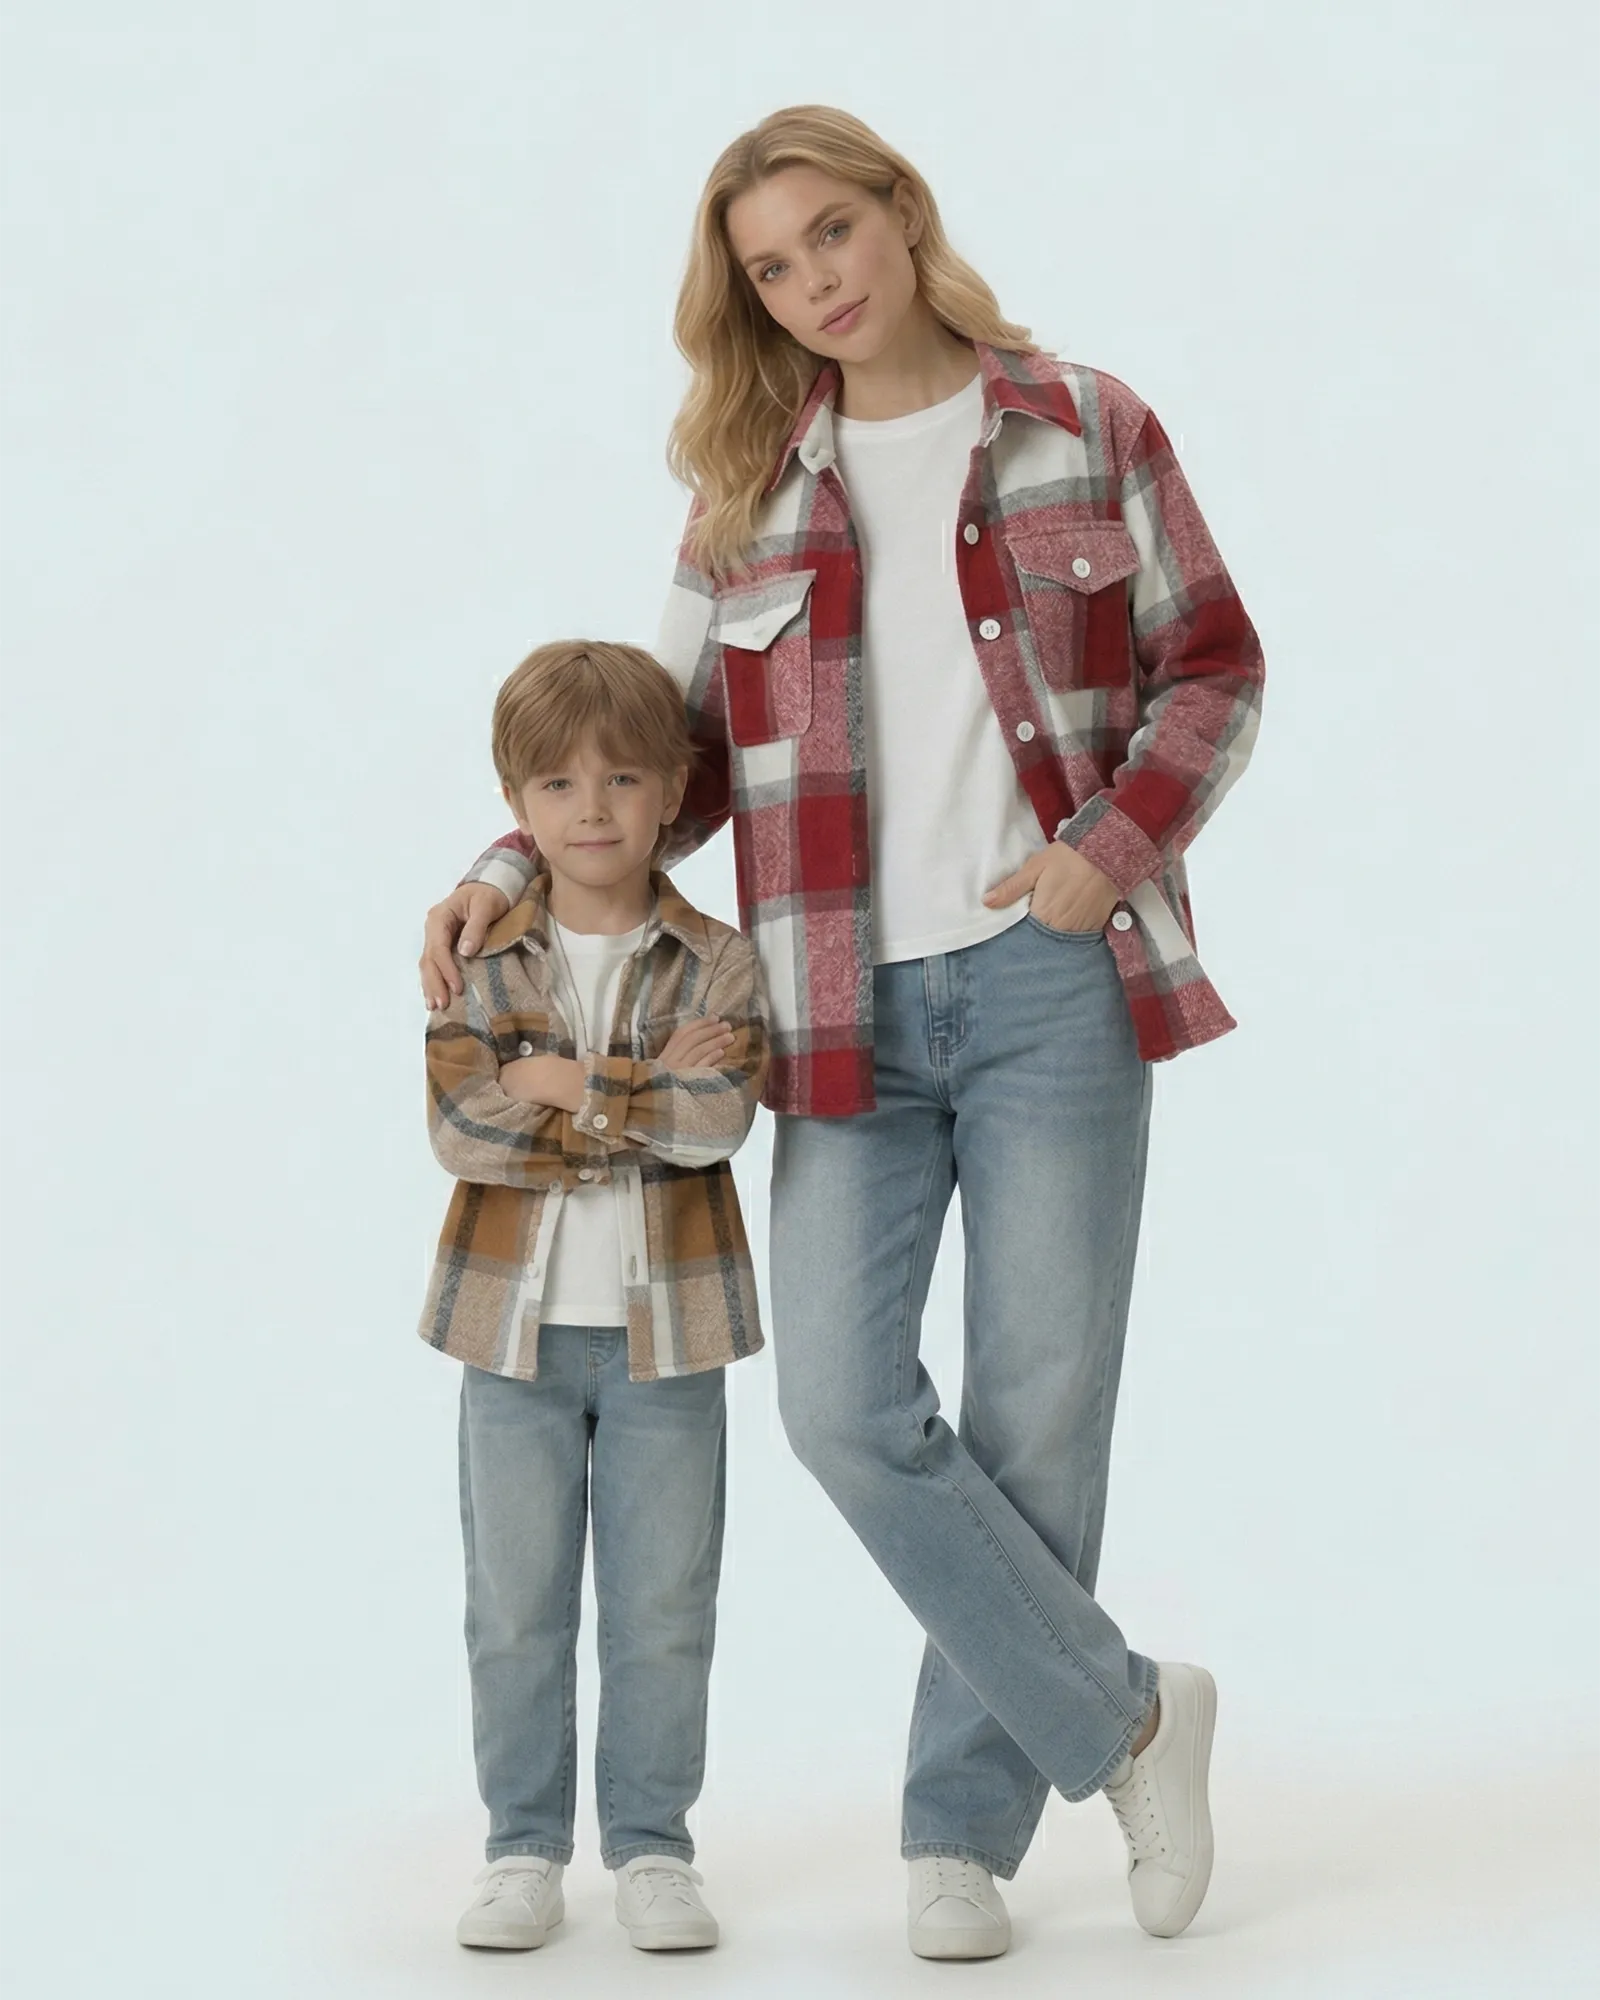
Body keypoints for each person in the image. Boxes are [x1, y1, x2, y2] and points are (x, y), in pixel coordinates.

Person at [421, 106, 1264, 1960]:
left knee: (1037, 1416)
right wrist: (504, 864)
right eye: (771, 268)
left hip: (1053, 983)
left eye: (831, 231)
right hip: (834, 1008)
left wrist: (1108, 849)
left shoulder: (1088, 423)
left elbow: (1214, 664)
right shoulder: (743, 494)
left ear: (900, 209)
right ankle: (1130, 1716)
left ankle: (959, 1836)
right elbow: (654, 755)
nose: (815, 282)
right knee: (842, 1411)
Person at [420, 640, 769, 1955]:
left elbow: (718, 1119)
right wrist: (638, 1089)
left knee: (664, 1608)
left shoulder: (718, 961)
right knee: (513, 1610)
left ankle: (654, 1848)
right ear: (517, 802)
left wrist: (559, 1082)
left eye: (624, 778)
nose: (594, 809)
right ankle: (521, 1848)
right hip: (507, 1339)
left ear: (674, 790)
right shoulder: (483, 959)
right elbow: (465, 1130)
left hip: (670, 1337)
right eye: (559, 784)